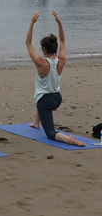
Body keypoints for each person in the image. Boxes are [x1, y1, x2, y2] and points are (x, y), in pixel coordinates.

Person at [26, 11, 84, 146]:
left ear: (44, 49)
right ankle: (36, 123)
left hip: (45, 102)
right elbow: (63, 40)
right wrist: (60, 23)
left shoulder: (41, 63)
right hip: (57, 98)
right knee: (40, 95)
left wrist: (32, 23)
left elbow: (28, 42)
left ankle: (69, 139)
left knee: (50, 132)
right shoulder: (61, 61)